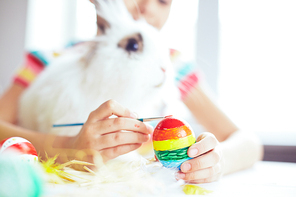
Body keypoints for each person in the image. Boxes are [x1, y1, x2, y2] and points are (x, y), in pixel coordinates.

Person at [0, 0, 263, 184]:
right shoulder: (49, 61)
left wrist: (216, 160)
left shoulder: (172, 68)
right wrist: (67, 148)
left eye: (163, 0)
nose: (147, 7)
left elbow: (249, 143)